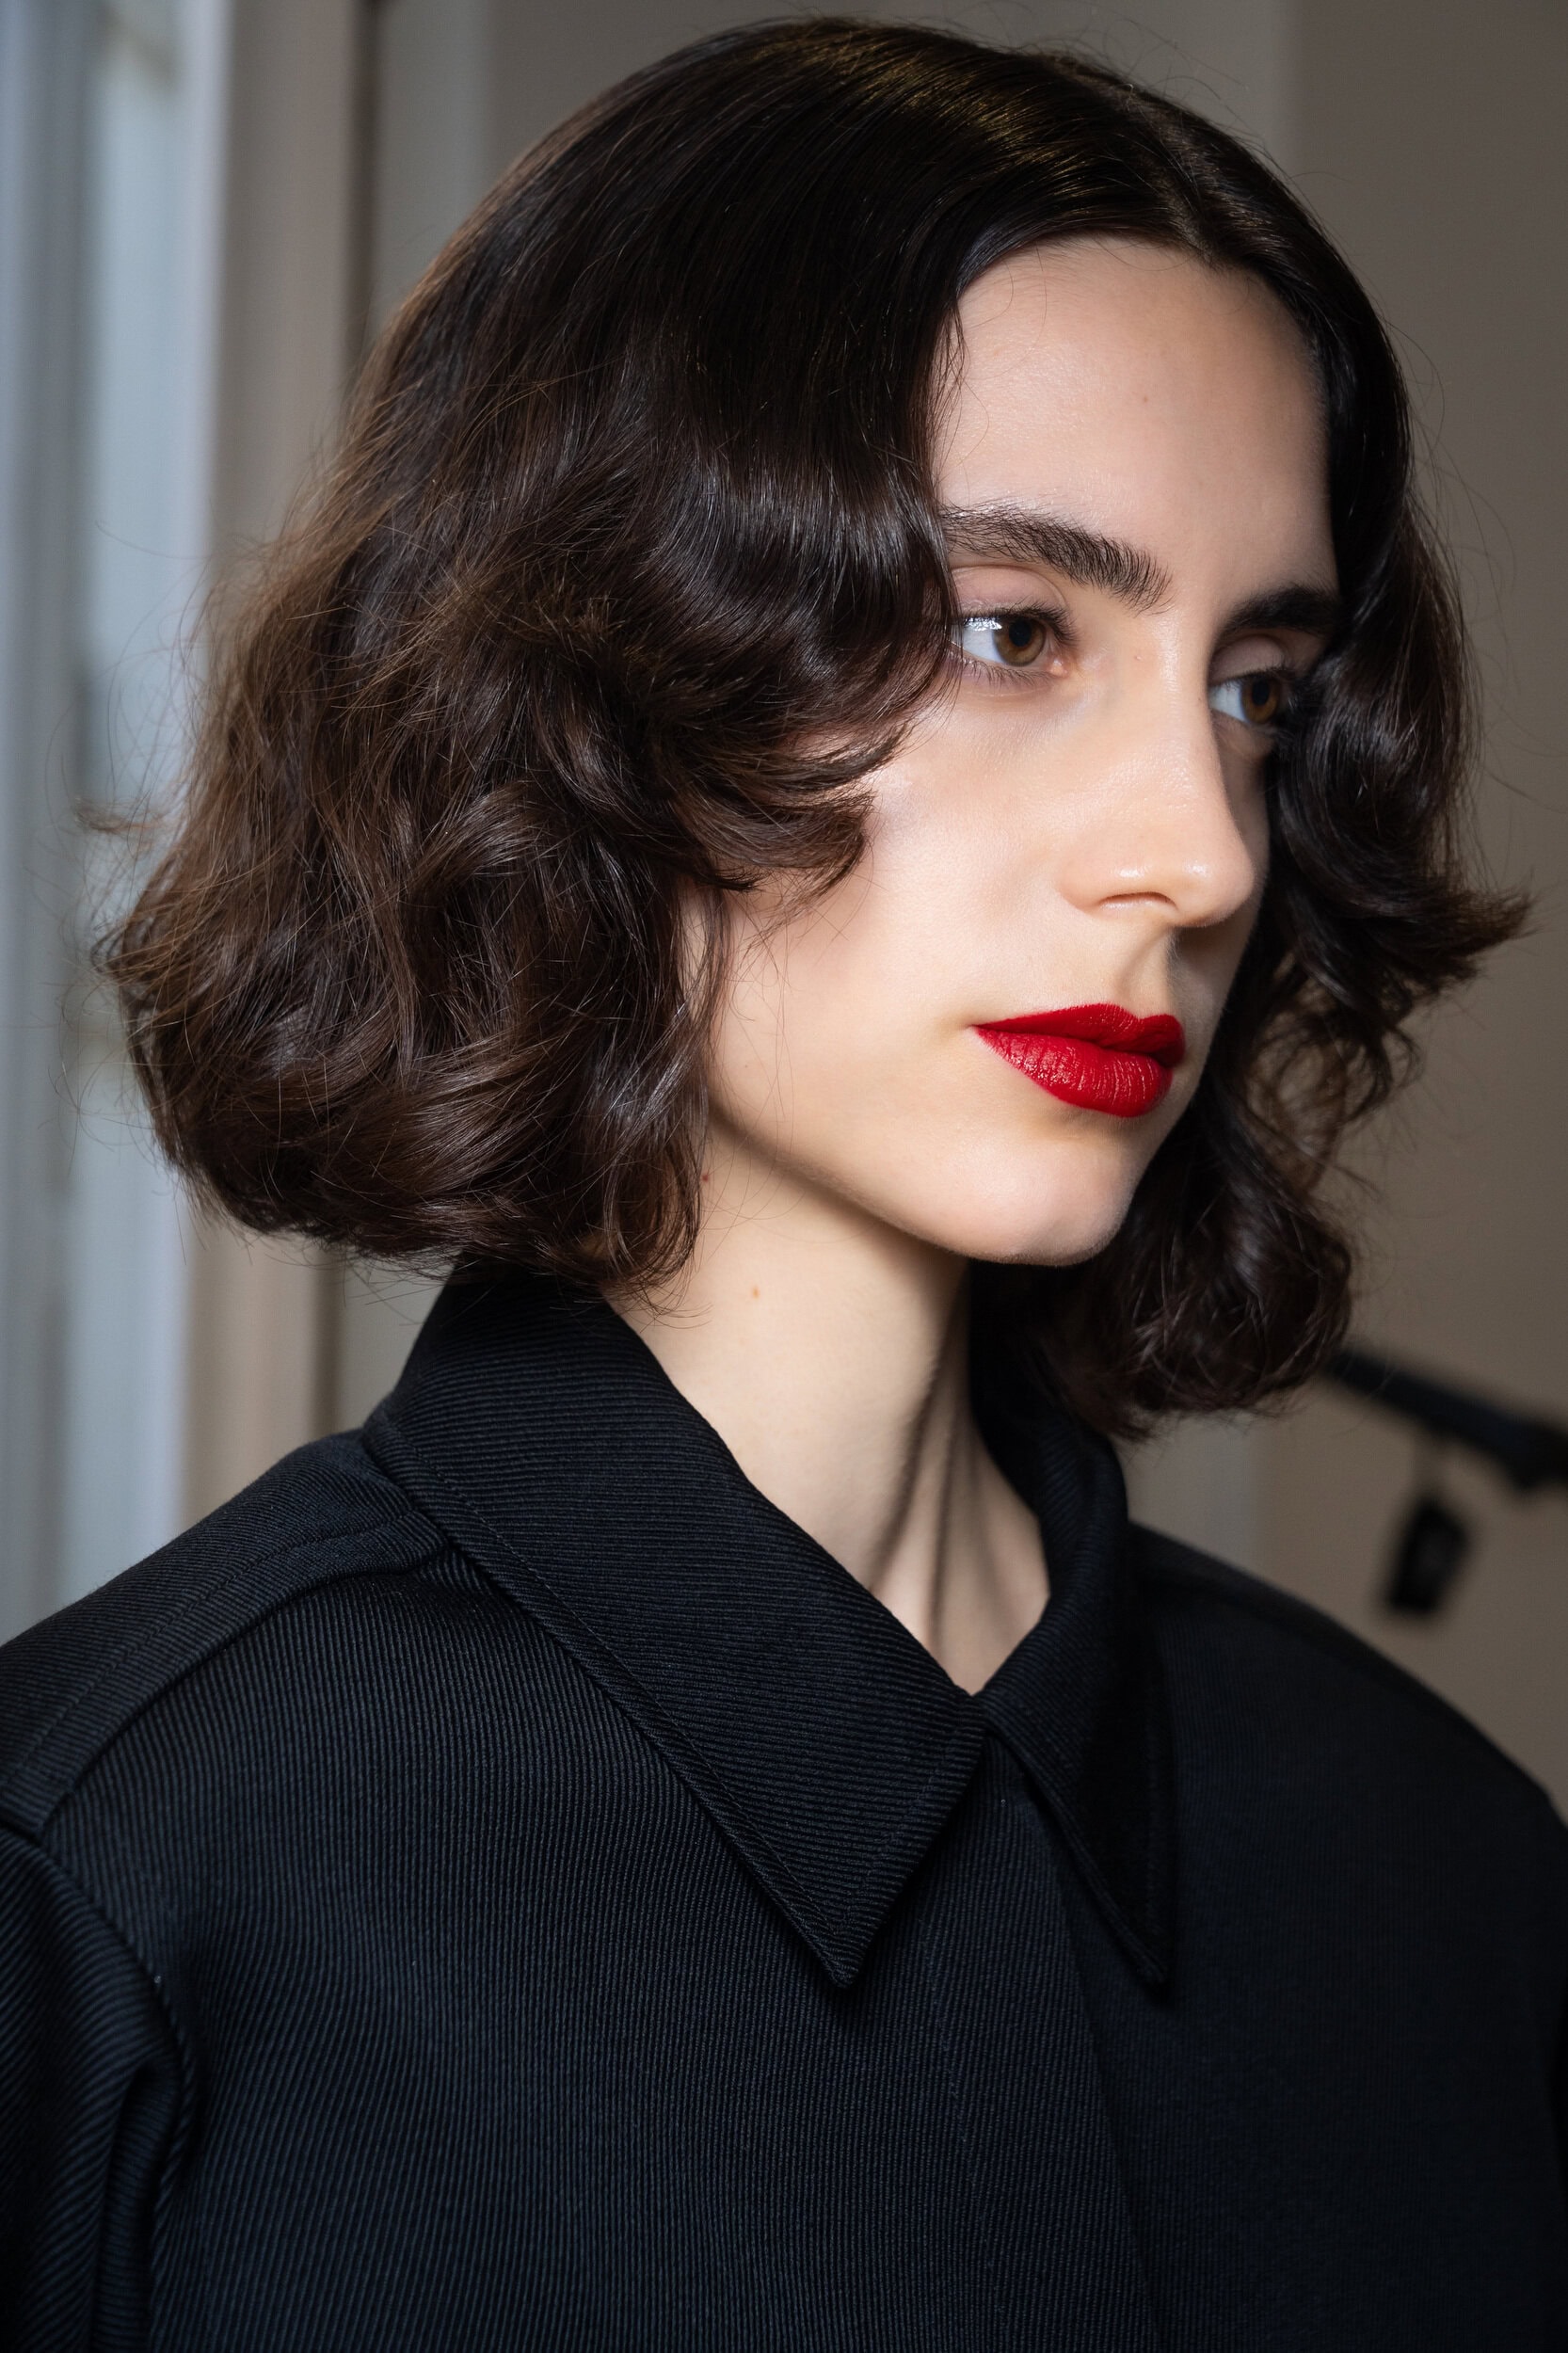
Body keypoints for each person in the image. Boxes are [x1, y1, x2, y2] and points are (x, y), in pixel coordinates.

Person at [2, 18, 1563, 2347]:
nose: (1196, 849)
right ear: (591, 671)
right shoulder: (117, 1876)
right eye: (1009, 632)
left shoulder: (1438, 1858)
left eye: (1252, 686)